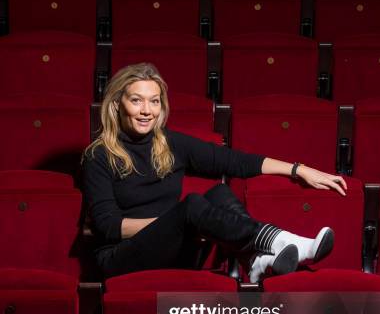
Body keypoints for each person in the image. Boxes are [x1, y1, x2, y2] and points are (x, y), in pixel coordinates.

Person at [82, 63, 347, 282]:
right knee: (192, 207)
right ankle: (277, 240)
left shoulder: (169, 142)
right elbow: (108, 226)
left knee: (220, 193)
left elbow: (234, 161)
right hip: (121, 258)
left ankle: (255, 259)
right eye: (136, 100)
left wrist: (298, 169)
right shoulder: (98, 156)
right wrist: (178, 222)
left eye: (154, 101)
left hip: (173, 250)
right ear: (117, 104)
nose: (146, 111)